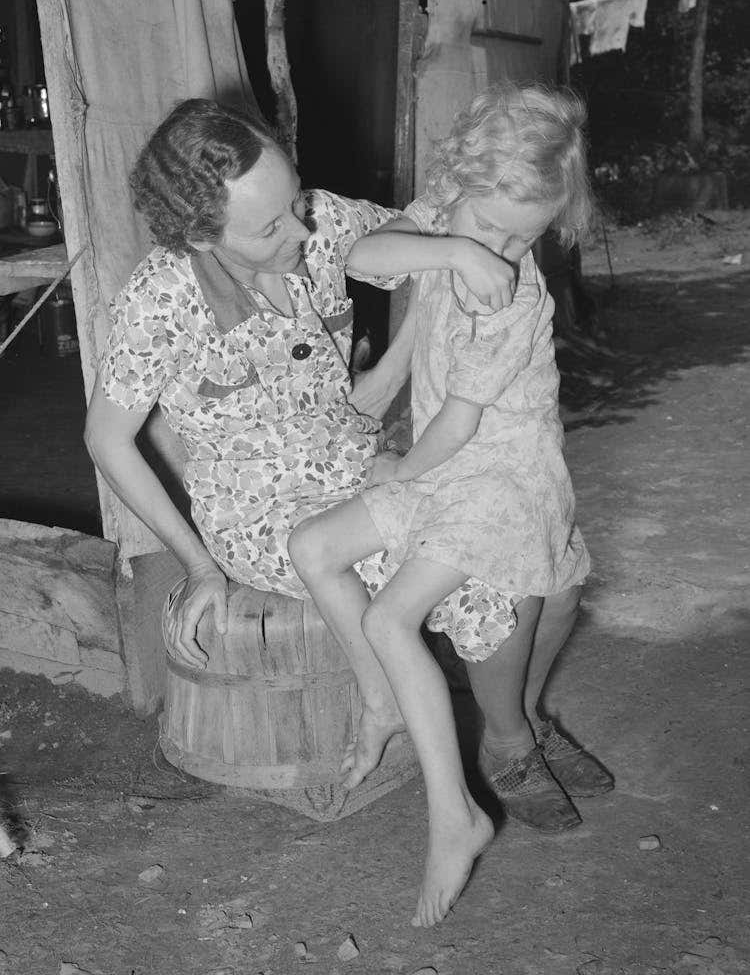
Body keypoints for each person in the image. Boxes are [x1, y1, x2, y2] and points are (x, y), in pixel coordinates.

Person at [82, 96, 518, 825]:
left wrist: (402, 357)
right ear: (200, 232)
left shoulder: (316, 217)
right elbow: (106, 439)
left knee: (511, 534)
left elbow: (415, 237)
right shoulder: (161, 301)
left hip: (355, 462)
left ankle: (506, 735)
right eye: (270, 226)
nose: (304, 228)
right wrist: (196, 565)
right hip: (261, 514)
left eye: (293, 200)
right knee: (456, 567)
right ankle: (465, 740)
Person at [288, 82, 613, 928]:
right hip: (451, 461)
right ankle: (448, 719)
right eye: (490, 227)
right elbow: (366, 259)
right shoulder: (440, 215)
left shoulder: (520, 299)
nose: (501, 254)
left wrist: (396, 474)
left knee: (466, 605)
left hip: (500, 472)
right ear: (456, 183)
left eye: (524, 238)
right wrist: (451, 250)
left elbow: (461, 428)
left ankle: (486, 775)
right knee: (331, 551)